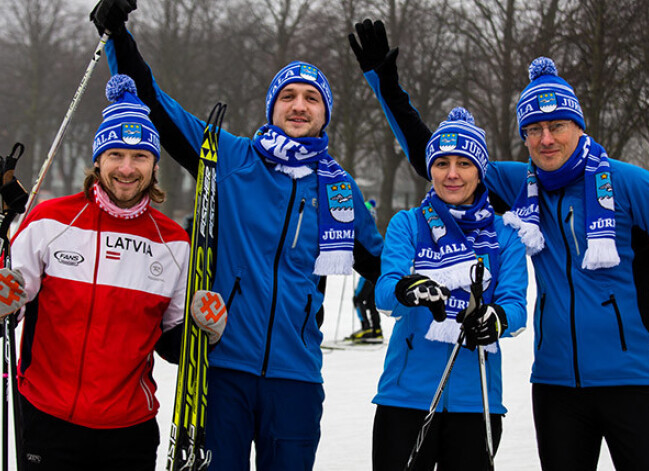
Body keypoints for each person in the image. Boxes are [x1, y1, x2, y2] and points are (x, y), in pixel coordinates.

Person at [350, 19, 649, 471]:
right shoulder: (520, 184)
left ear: (578, 125)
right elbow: (436, 157)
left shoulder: (628, 183)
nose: (545, 138)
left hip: (634, 378)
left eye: (556, 125)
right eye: (534, 129)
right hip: (556, 384)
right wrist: (387, 85)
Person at [90, 2, 384, 470]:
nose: (299, 105)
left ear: (325, 112)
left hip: (296, 376)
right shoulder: (229, 158)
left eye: (312, 97)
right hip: (222, 368)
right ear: (272, 108)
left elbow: (383, 265)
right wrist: (118, 34)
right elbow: (155, 105)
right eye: (288, 96)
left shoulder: (338, 189)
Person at [0, 74, 226, 471]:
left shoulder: (174, 242)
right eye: (116, 154)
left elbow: (174, 346)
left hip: (129, 431)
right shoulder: (50, 221)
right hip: (46, 419)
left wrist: (204, 330)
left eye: (139, 157)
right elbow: (11, 309)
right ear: (98, 159)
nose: (126, 168)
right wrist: (4, 300)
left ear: (154, 165)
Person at [372, 106, 527, 470]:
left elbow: (516, 307)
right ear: (430, 170)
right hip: (405, 397)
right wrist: (407, 290)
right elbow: (384, 292)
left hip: (477, 401)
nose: (452, 174)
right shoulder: (408, 223)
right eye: (442, 164)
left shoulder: (506, 234)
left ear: (480, 171)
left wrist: (495, 318)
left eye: (464, 163)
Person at [349, 199, 384, 342]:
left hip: (369, 270)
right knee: (370, 301)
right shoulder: (372, 226)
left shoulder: (365, 223)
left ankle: (367, 328)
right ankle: (376, 330)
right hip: (376, 267)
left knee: (358, 298)